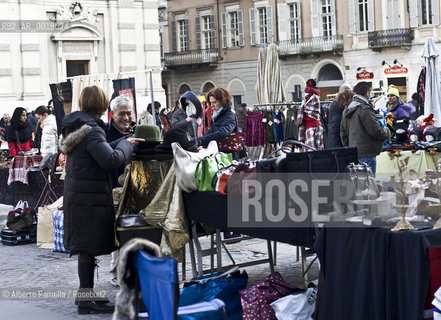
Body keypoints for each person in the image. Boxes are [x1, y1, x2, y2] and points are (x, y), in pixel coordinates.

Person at [59, 85, 143, 315]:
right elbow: (111, 160)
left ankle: (84, 296)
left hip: (80, 195)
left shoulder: (77, 126)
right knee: (87, 248)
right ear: (102, 104)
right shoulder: (93, 130)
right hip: (89, 198)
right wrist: (126, 144)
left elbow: (99, 152)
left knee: (86, 249)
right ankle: (85, 300)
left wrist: (125, 142)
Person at [340, 81, 391, 174]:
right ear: (367, 93)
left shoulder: (347, 109)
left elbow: (343, 134)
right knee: (368, 184)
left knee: (358, 183)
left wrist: (350, 148)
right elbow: (375, 131)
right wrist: (387, 132)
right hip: (367, 153)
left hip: (354, 153)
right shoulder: (364, 109)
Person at [193, 87, 237, 153]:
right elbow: (211, 132)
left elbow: (223, 133)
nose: (211, 105)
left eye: (214, 102)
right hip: (220, 152)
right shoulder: (216, 115)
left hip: (228, 155)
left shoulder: (229, 115)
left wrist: (199, 140)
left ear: (222, 102)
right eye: (210, 103)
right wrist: (198, 141)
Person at [296, 79, 324, 151]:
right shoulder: (308, 97)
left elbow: (310, 112)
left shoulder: (314, 97)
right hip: (309, 126)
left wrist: (301, 109)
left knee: (312, 149)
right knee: (310, 148)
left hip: (313, 126)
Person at [326, 84, 353, 148]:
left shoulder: (334, 105)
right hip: (338, 143)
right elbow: (340, 128)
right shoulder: (340, 106)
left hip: (332, 141)